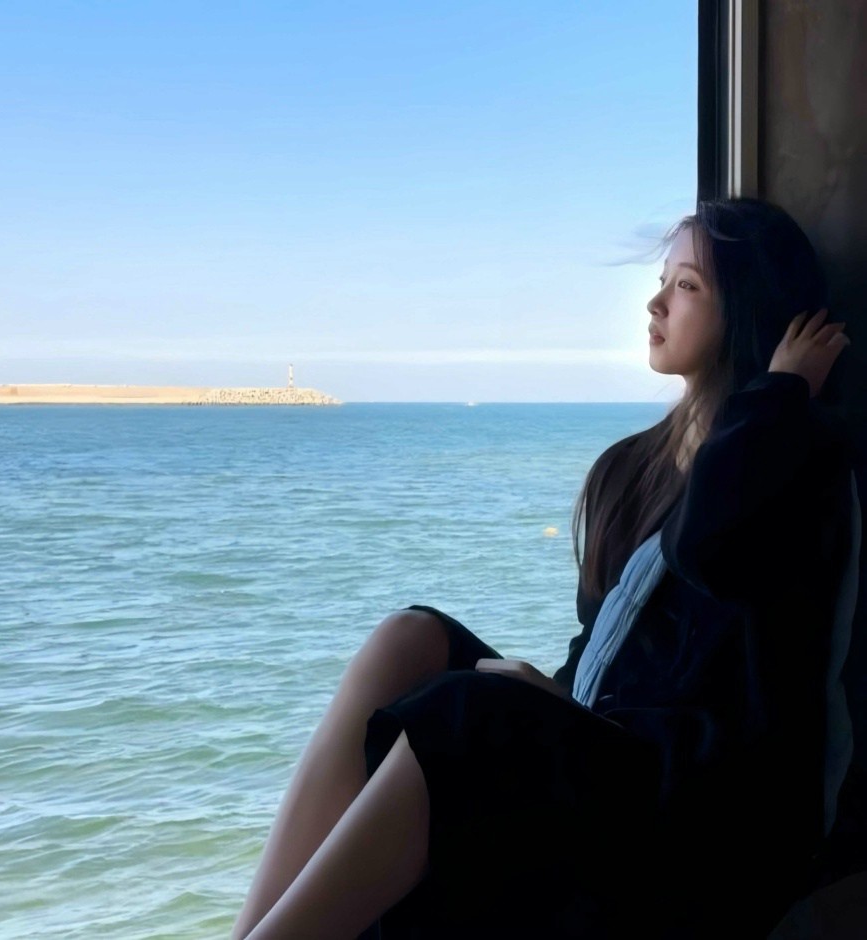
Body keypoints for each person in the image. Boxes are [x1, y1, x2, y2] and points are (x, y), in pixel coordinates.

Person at [231, 197, 857, 939]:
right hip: (622, 751)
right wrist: (556, 695)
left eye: (687, 285)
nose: (655, 303)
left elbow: (711, 550)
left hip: (706, 807)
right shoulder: (633, 467)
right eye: (662, 281)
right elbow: (606, 649)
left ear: (748, 310)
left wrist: (777, 393)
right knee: (409, 637)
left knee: (466, 716)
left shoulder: (789, 460)